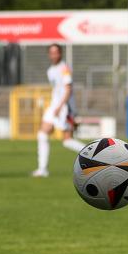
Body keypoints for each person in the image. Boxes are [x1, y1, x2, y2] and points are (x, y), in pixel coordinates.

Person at [32, 44, 86, 177]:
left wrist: (60, 106)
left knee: (67, 141)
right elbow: (57, 89)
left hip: (64, 107)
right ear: (49, 55)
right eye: (51, 52)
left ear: (60, 53)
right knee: (42, 134)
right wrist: (54, 106)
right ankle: (42, 169)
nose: (54, 55)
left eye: (56, 52)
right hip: (54, 106)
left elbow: (68, 89)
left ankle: (94, 155)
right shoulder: (50, 70)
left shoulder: (64, 68)